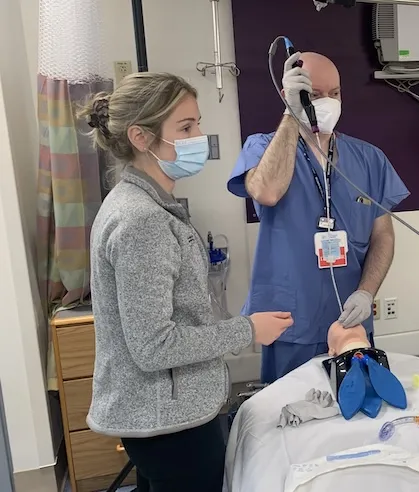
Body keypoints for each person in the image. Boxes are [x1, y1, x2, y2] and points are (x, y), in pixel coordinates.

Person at [84, 72, 294, 492]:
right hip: (168, 423)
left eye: (197, 122)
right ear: (141, 137)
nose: (200, 135)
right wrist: (248, 329)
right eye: (185, 127)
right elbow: (153, 345)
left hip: (163, 415)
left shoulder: (141, 203)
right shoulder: (141, 220)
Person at [228, 52, 410, 383]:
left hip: (349, 320)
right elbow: (266, 191)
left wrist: (367, 292)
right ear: (290, 96)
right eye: (314, 94)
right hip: (289, 319)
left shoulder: (368, 159)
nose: (328, 102)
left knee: (354, 406)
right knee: (292, 415)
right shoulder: (263, 147)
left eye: (335, 93)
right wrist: (291, 117)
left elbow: (383, 235)